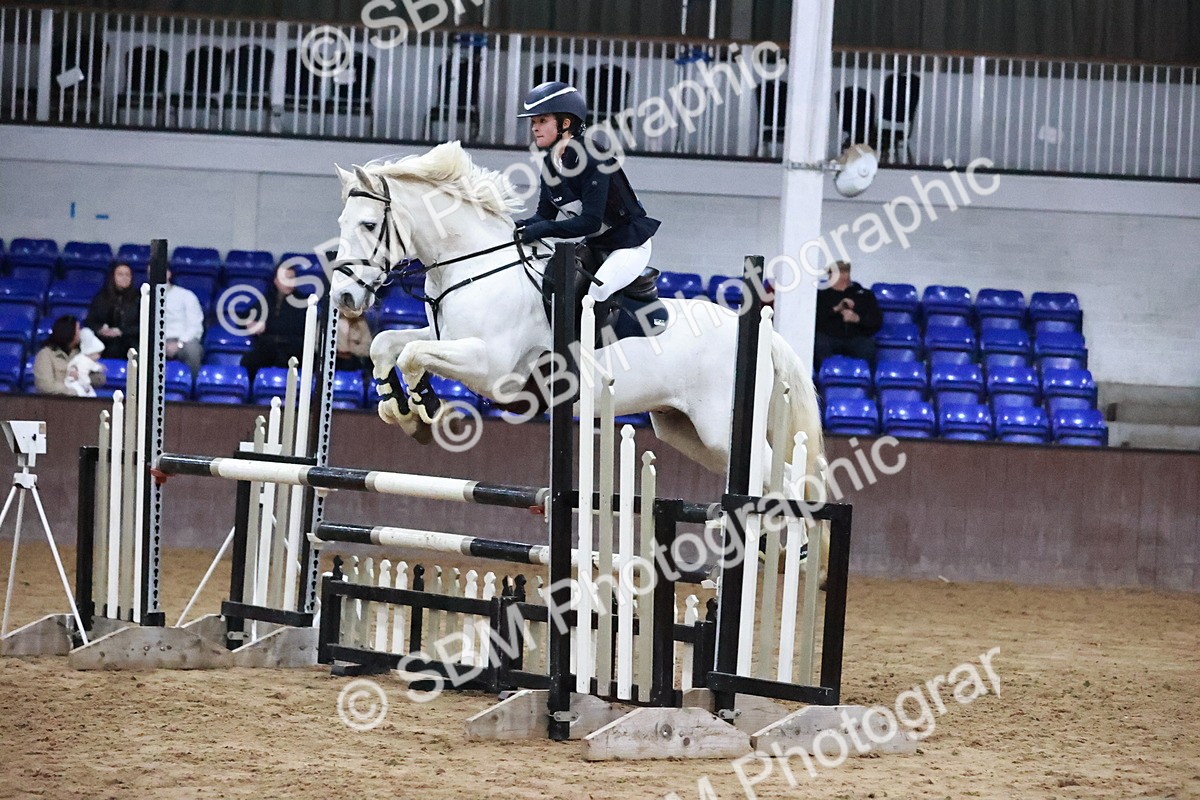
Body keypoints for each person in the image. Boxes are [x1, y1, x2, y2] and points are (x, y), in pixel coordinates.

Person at [513, 81, 660, 303]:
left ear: (566, 123)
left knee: (596, 294)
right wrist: (516, 226)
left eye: (542, 120)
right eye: (534, 122)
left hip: (628, 245)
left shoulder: (592, 158)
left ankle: (595, 339)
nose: (534, 127)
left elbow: (590, 222)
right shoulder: (550, 164)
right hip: (596, 245)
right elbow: (543, 216)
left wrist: (543, 229)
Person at [241, 265, 311, 382]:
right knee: (249, 360)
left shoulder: (304, 301)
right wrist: (250, 323)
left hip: (294, 348)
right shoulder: (267, 300)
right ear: (276, 281)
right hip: (269, 347)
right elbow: (243, 316)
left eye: (291, 278)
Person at [815, 261, 882, 368]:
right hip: (829, 336)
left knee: (867, 346)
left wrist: (857, 319)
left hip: (856, 337)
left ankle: (861, 376)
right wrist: (836, 309)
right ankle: (824, 375)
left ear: (845, 275)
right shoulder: (821, 295)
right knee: (819, 342)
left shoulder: (864, 295)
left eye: (833, 273)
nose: (830, 277)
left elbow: (876, 321)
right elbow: (815, 320)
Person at [33, 315, 107, 396]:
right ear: (69, 332)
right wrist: (73, 391)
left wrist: (83, 376)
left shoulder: (81, 353)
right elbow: (45, 386)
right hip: (55, 403)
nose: (81, 332)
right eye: (78, 329)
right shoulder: (45, 355)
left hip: (81, 403)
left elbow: (100, 379)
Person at [85, 262, 140, 361]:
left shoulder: (139, 298)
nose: (124, 277)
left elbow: (144, 326)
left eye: (127, 275)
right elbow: (90, 321)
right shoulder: (101, 297)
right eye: (120, 274)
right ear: (113, 276)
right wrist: (100, 328)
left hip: (130, 341)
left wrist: (121, 331)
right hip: (104, 341)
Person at [163, 269, 205, 375]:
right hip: (158, 342)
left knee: (193, 351)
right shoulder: (146, 296)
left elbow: (195, 325)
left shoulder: (186, 295)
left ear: (168, 273)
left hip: (184, 341)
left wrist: (179, 344)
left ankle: (193, 388)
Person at [65, 327, 107, 397]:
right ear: (91, 353)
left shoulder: (87, 360)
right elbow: (82, 373)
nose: (99, 357)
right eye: (98, 354)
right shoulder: (83, 361)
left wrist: (100, 368)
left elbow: (94, 366)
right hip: (75, 383)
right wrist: (85, 384)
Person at [335, 314, 372, 380]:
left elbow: (367, 347)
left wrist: (351, 348)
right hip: (334, 359)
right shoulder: (328, 321)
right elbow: (318, 344)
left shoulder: (361, 323)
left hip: (354, 360)